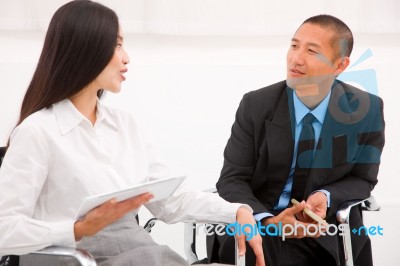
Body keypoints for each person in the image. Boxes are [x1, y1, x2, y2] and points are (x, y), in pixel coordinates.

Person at [0, 1, 265, 266]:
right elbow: (4, 230)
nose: (126, 57)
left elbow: (170, 202)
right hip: (77, 259)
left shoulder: (125, 125)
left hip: (140, 253)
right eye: (117, 45)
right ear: (86, 49)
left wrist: (237, 210)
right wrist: (77, 229)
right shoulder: (37, 132)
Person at [211, 15, 385, 266]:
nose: (296, 58)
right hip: (262, 224)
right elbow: (232, 178)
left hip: (326, 232)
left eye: (312, 51)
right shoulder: (256, 105)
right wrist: (268, 221)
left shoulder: (365, 110)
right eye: (294, 46)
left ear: (340, 65)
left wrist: (326, 196)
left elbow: (363, 178)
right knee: (252, 250)